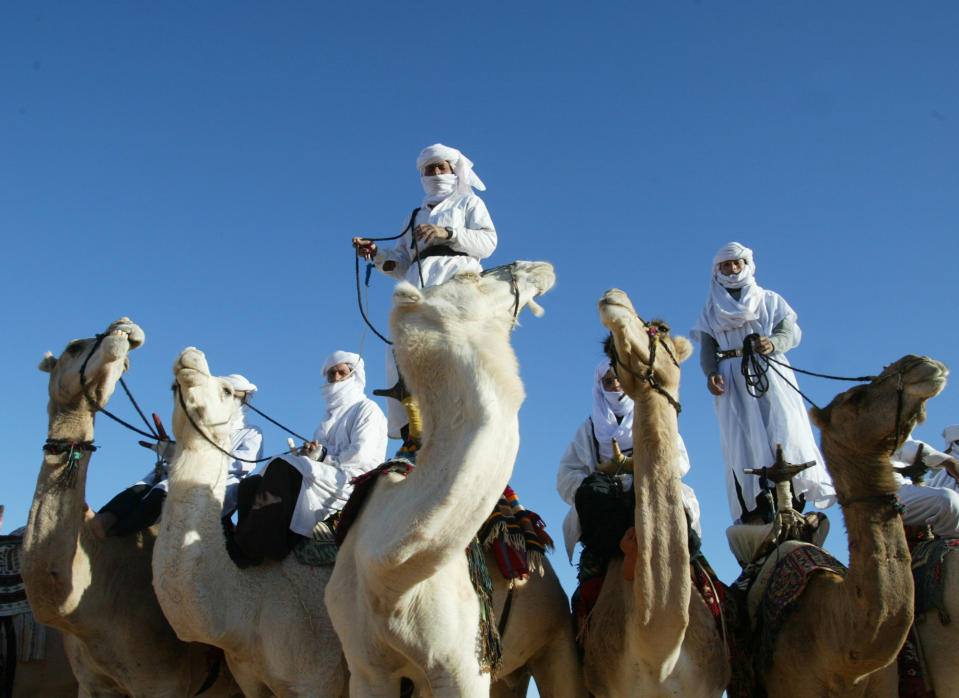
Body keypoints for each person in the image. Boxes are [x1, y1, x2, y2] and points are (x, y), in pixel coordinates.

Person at [352, 143, 496, 439]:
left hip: (458, 279)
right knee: (401, 349)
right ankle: (412, 431)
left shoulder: (469, 204)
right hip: (417, 283)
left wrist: (449, 233)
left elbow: (488, 243)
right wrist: (376, 253)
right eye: (429, 169)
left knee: (453, 346)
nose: (435, 173)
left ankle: (461, 420)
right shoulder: (416, 214)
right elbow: (401, 263)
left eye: (440, 167)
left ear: (453, 171)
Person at [690, 242, 836, 525]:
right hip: (732, 379)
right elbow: (707, 348)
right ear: (717, 270)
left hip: (770, 373)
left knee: (784, 431)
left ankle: (793, 499)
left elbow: (787, 330)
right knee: (742, 441)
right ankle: (757, 506)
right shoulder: (710, 310)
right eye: (725, 265)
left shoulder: (769, 299)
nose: (731, 269)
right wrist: (711, 373)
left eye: (736, 263)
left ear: (747, 265)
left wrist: (774, 343)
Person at [231, 351, 387, 563]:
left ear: (354, 376)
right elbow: (317, 455)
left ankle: (262, 547)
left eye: (342, 373)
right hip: (326, 474)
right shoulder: (327, 418)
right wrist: (308, 454)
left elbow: (361, 456)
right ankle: (242, 541)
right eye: (331, 374)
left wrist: (322, 455)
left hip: (352, 480)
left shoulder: (367, 410)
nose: (336, 378)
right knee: (251, 484)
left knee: (282, 468)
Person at [556, 356, 702, 565]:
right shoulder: (589, 428)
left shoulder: (653, 417)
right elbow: (567, 473)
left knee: (671, 506)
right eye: (608, 381)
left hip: (649, 481)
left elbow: (679, 459)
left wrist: (643, 465)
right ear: (600, 387)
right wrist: (600, 474)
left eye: (619, 379)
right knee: (592, 494)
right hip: (607, 492)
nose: (615, 385)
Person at [90, 373, 263, 539]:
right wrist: (170, 450)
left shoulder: (250, 433)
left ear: (244, 401)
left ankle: (120, 534)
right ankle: (106, 519)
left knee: (162, 492)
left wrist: (197, 461)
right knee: (141, 487)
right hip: (180, 472)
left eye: (234, 396)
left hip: (221, 482)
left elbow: (244, 463)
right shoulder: (201, 427)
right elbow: (186, 450)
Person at [892, 428, 959, 538]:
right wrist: (948, 462)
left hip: (898, 487)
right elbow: (904, 448)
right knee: (947, 501)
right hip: (874, 488)